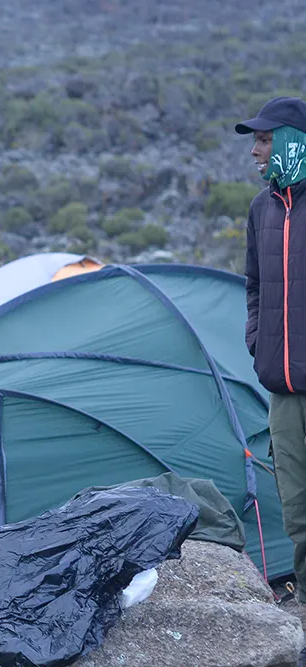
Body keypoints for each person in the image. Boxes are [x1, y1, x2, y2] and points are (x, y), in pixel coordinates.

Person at [239, 96, 306, 602]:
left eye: (264, 140)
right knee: (297, 509)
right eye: (257, 141)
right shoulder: (262, 208)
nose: (257, 151)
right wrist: (258, 341)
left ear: (291, 142)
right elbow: (255, 285)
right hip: (282, 387)